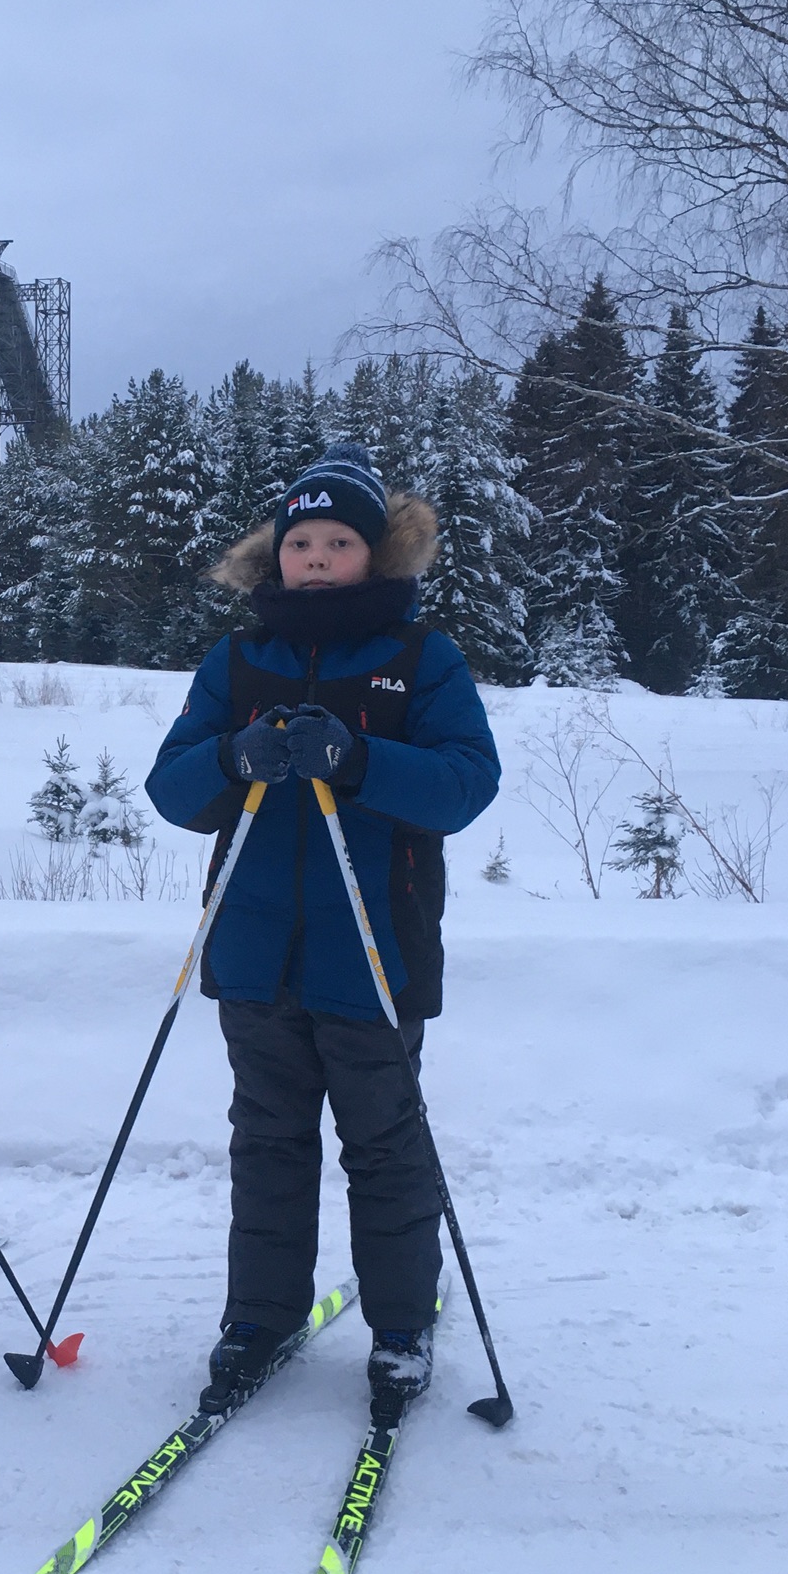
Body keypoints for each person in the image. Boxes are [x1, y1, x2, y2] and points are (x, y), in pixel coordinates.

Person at [145, 442, 500, 1421]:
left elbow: (468, 782)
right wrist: (232, 752)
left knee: (385, 1143)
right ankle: (260, 1315)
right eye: (299, 539)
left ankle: (399, 1325)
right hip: (255, 954)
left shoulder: (420, 658)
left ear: (375, 553)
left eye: (337, 539)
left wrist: (358, 759)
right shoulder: (238, 658)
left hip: (374, 953)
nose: (315, 555)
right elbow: (174, 788)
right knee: (267, 1138)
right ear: (276, 551)